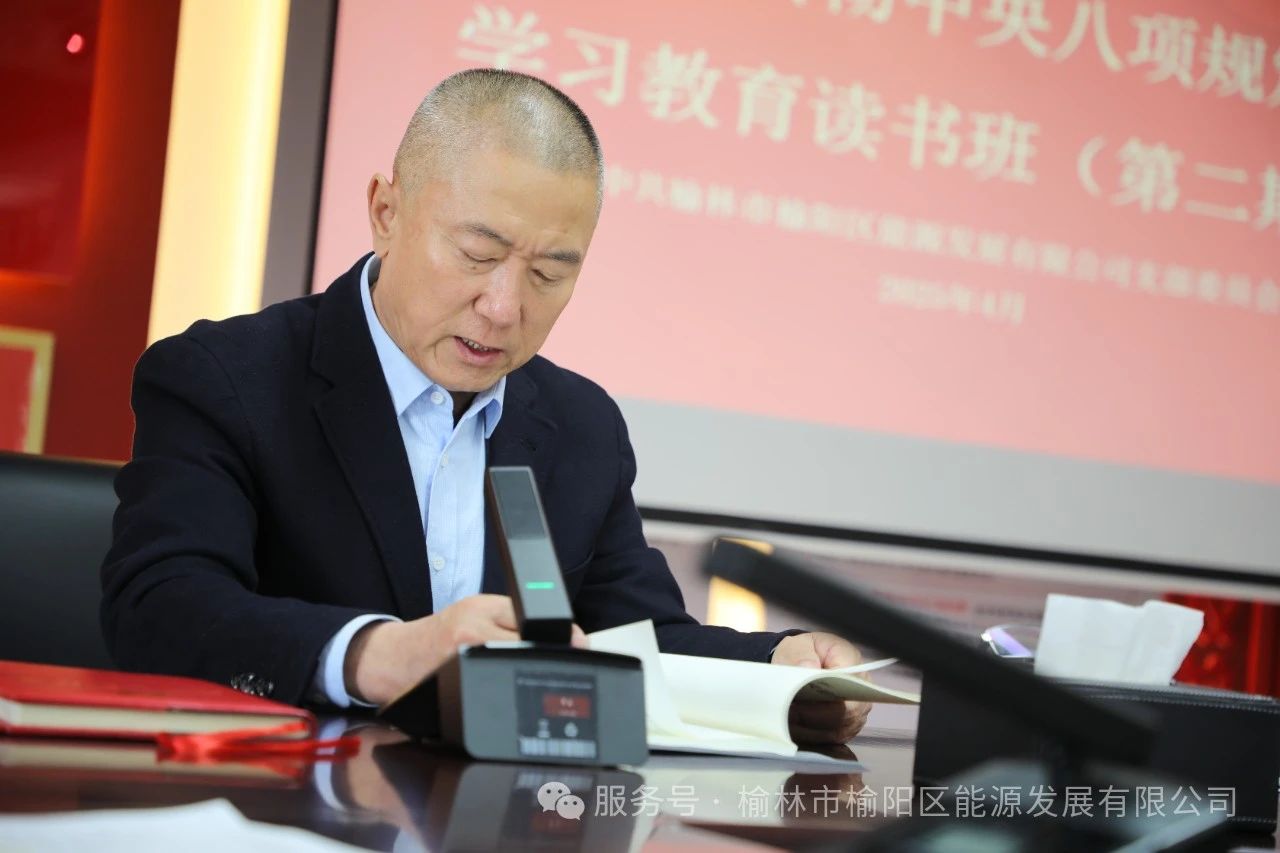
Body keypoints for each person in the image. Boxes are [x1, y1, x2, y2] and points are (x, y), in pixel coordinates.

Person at [101, 69, 869, 744]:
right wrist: (378, 653)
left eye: (548, 274)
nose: (504, 307)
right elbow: (159, 607)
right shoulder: (225, 378)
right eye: (477, 255)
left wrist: (780, 671)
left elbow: (636, 640)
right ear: (386, 211)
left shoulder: (581, 426)